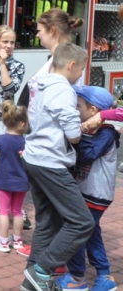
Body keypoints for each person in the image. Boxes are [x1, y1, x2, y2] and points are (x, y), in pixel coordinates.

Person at [21, 42, 94, 291]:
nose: (81, 75)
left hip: (34, 157)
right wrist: (81, 131)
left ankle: (32, 281)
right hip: (51, 162)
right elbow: (72, 134)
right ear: (72, 65)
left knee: (47, 221)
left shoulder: (39, 83)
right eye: (81, 70)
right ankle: (42, 269)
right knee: (81, 222)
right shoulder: (62, 89)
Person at [56, 85, 119, 291]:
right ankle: (104, 275)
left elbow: (88, 154)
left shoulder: (107, 133)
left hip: (96, 194)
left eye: (78, 106)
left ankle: (77, 278)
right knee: (91, 233)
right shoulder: (94, 130)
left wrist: (77, 133)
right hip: (86, 192)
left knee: (77, 232)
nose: (75, 110)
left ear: (93, 111)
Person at [0, 100, 29, 253]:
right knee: (17, 211)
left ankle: (3, 242)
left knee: (3, 211)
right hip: (22, 181)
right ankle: (17, 241)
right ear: (23, 123)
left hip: (4, 180)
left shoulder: (0, 140)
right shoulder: (26, 141)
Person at [19, 9, 84, 108]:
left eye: (39, 31)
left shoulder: (64, 62)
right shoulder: (56, 60)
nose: (37, 35)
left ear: (52, 31)